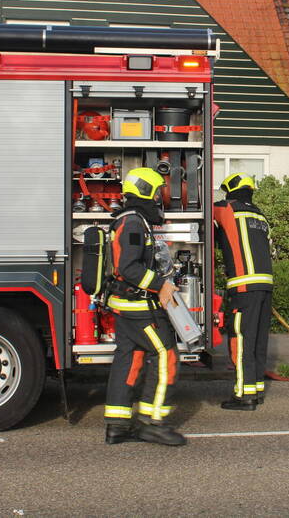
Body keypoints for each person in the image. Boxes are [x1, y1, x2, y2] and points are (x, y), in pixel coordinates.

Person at [103, 167, 186, 446]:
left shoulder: (128, 220)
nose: (159, 199)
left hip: (127, 306)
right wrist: (160, 284)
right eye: (156, 192)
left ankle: (118, 425)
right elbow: (128, 267)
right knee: (166, 356)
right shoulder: (135, 223)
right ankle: (153, 422)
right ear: (146, 191)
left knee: (130, 361)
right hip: (139, 309)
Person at [213, 173, 274, 411]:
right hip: (265, 285)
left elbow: (204, 213)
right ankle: (255, 389)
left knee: (241, 339)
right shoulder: (260, 215)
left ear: (230, 190)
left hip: (243, 285)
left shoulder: (227, 208)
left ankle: (243, 395)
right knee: (258, 339)